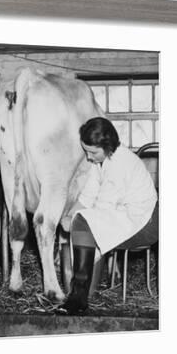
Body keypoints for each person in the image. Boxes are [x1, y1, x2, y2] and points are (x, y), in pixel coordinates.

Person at [60, 117, 158, 314]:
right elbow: (88, 196)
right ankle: (80, 295)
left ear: (108, 145)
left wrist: (74, 221)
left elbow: (102, 208)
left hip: (146, 222)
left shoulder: (121, 163)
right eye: (86, 151)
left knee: (83, 224)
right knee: (80, 221)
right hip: (125, 216)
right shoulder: (101, 162)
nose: (88, 157)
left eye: (92, 152)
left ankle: (79, 297)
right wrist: (67, 216)